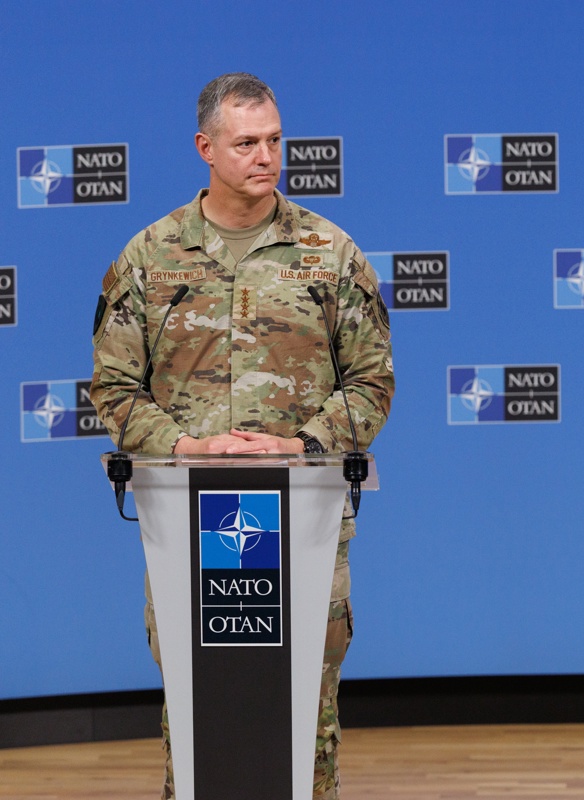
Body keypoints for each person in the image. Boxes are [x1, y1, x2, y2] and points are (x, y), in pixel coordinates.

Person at [91, 72, 394, 800]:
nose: (267, 156)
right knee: (201, 705)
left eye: (274, 140)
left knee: (304, 709)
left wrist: (304, 445)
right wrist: (187, 446)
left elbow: (371, 383)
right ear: (206, 148)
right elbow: (113, 389)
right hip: (191, 521)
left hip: (305, 520)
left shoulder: (331, 252)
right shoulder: (148, 258)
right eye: (247, 142)